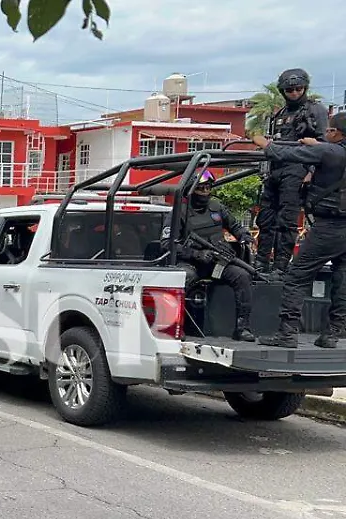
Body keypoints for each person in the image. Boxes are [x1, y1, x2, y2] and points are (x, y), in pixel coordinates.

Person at [254, 113, 346, 347]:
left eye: (329, 131)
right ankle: (332, 335)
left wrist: (265, 144)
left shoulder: (328, 152)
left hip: (329, 227)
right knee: (342, 280)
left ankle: (287, 335)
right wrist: (319, 144)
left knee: (296, 277)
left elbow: (286, 154)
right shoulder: (329, 149)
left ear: (335, 133)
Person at [142, 170, 258, 341]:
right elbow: (167, 244)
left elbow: (235, 226)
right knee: (183, 278)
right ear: (191, 189)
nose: (205, 192)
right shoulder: (178, 212)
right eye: (201, 188)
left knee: (242, 276)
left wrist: (244, 235)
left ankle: (242, 328)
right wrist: (196, 254)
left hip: (215, 263)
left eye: (208, 188)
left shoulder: (217, 207)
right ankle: (174, 326)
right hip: (190, 262)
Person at [255, 68, 329, 273]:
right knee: (266, 218)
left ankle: (280, 264)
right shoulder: (279, 113)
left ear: (305, 88)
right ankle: (261, 262)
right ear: (283, 91)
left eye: (298, 88)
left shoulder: (315, 110)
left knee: (286, 221)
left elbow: (323, 146)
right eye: (290, 90)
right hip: (275, 169)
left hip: (298, 169)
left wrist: (311, 173)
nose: (294, 93)